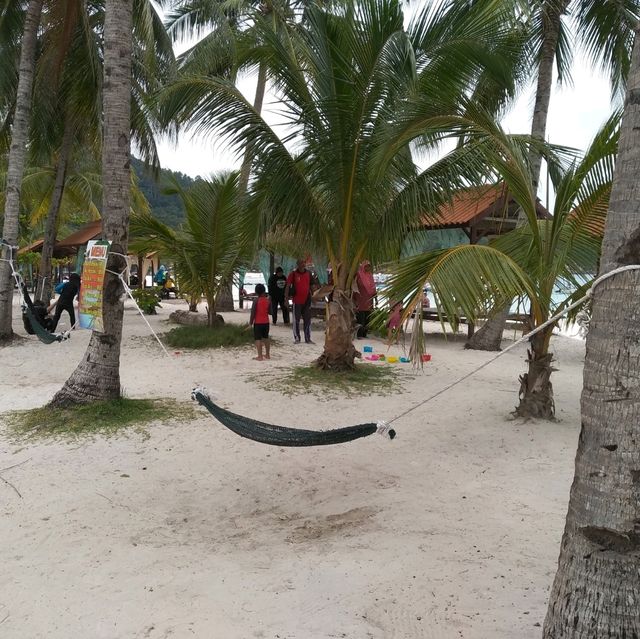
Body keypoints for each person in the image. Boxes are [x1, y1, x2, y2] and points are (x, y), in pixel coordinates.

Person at [285, 259, 314, 344]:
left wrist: (314, 296)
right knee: (296, 320)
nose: (303, 264)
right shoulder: (293, 274)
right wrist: (286, 299)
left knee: (307, 320)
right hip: (297, 301)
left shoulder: (309, 273)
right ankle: (297, 338)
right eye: (301, 263)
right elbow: (287, 286)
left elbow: (312, 285)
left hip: (307, 300)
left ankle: (308, 338)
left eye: (304, 262)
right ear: (297, 264)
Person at [353, 261, 376, 338]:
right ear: (363, 266)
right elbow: (354, 286)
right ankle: (359, 334)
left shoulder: (370, 276)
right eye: (366, 266)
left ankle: (365, 334)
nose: (368, 268)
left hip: (369, 301)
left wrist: (375, 299)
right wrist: (354, 299)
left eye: (369, 266)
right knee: (360, 318)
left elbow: (373, 288)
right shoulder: (359, 275)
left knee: (367, 318)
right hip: (360, 300)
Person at [250, 283, 271, 361]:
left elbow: (253, 312)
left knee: (258, 339)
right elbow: (271, 312)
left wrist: (250, 323)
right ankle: (268, 355)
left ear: (256, 292)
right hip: (266, 322)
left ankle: (260, 356)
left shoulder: (256, 300)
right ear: (264, 291)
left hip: (258, 323)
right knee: (266, 337)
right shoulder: (268, 300)